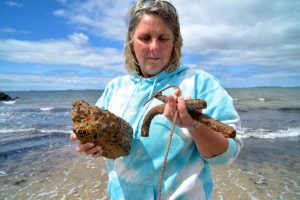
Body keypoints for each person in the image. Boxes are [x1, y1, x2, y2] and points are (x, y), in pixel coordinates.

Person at [70, 0, 243, 199]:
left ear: (175, 42)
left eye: (163, 38)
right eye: (145, 37)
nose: (154, 47)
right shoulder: (116, 87)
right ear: (131, 41)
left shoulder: (200, 83)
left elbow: (227, 157)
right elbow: (98, 137)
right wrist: (91, 144)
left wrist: (193, 124)